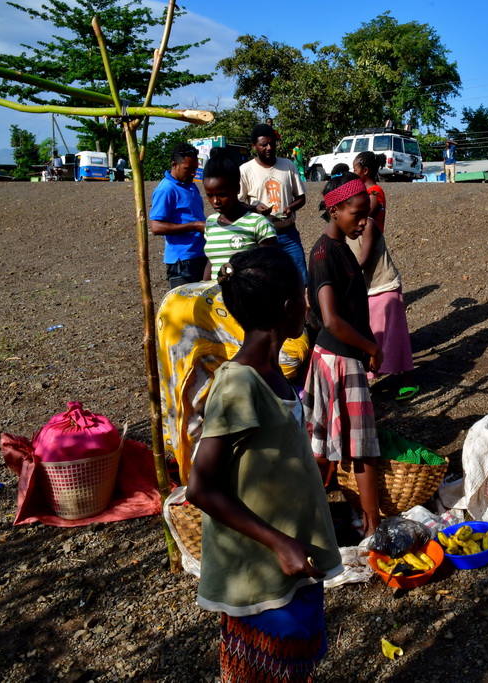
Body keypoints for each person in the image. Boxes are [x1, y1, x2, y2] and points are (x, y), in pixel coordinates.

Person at [186, 247, 342, 681]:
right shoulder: (238, 382)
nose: (309, 303)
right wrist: (278, 542)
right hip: (262, 567)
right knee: (266, 668)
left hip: (292, 555)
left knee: (294, 666)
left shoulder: (274, 373)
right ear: (290, 308)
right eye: (304, 296)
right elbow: (202, 487)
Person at [303, 172, 384, 537]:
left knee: (329, 443)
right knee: (359, 448)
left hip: (342, 356)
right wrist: (371, 347)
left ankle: (319, 519)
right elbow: (332, 319)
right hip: (339, 359)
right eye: (357, 213)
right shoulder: (323, 254)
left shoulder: (340, 249)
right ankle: (371, 526)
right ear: (334, 210)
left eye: (366, 214)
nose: (364, 221)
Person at [350, 151, 418, 400]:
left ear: (364, 169)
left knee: (391, 332)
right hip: (372, 277)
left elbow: (367, 215)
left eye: (355, 168)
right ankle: (378, 375)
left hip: (380, 275)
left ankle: (404, 375)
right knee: (375, 330)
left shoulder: (373, 195)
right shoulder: (363, 202)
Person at [239, 123, 308, 283]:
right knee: (265, 282)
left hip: (289, 235)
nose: (269, 148)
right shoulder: (245, 170)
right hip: (260, 237)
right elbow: (239, 203)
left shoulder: (288, 166)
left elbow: (301, 198)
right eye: (264, 145)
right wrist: (255, 209)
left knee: (301, 280)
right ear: (254, 146)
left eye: (272, 143)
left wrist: (291, 207)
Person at [201, 149, 277, 280]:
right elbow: (212, 261)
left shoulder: (258, 223)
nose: (215, 201)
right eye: (209, 195)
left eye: (222, 195)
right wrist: (203, 287)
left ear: (237, 188)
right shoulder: (210, 223)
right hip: (216, 299)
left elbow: (274, 265)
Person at [150, 143, 207, 289]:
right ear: (174, 165)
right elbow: (156, 227)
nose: (194, 173)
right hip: (182, 261)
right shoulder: (166, 189)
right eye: (189, 169)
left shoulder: (190, 185)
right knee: (184, 307)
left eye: (195, 169)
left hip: (199, 254)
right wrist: (195, 226)